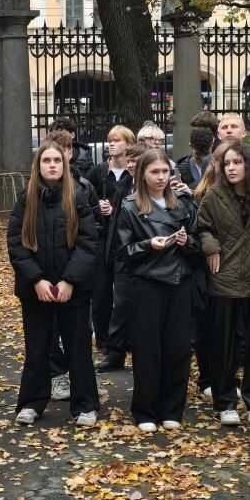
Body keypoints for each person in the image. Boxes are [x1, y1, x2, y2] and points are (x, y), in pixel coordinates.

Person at [8, 140, 100, 427]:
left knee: (78, 347)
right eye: (46, 160)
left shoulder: (78, 196)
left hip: (72, 288)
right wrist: (36, 280)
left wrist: (69, 281)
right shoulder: (26, 198)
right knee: (38, 347)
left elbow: (87, 243)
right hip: (36, 289)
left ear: (65, 164)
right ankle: (32, 402)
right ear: (38, 165)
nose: (52, 165)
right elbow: (16, 243)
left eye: (57, 161)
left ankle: (85, 404)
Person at [116, 148, 200, 433]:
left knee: (177, 348)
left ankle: (172, 408)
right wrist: (148, 245)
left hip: (179, 281)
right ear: (142, 174)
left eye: (165, 171)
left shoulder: (184, 204)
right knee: (147, 348)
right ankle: (145, 409)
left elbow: (199, 244)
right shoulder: (130, 206)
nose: (161, 177)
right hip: (147, 283)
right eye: (155, 172)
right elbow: (122, 252)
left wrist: (187, 242)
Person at [197, 143, 250, 427]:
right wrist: (210, 246)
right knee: (224, 346)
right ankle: (226, 401)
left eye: (237, 163)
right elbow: (203, 226)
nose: (230, 168)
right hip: (224, 279)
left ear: (249, 166)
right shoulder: (214, 196)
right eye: (226, 163)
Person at [85, 124, 136, 364]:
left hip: (124, 240)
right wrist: (99, 209)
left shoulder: (134, 173)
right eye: (109, 140)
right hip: (101, 238)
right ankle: (104, 339)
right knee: (101, 291)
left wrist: (116, 211)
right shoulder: (98, 171)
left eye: (116, 140)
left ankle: (123, 340)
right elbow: (85, 202)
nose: (111, 144)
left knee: (124, 294)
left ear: (128, 144)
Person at [101, 142, 150, 373]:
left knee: (144, 308)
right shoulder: (123, 185)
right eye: (129, 160)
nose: (131, 165)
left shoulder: (154, 187)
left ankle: (144, 353)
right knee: (119, 306)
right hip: (122, 255)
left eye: (135, 161)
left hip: (147, 256)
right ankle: (115, 353)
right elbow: (115, 221)